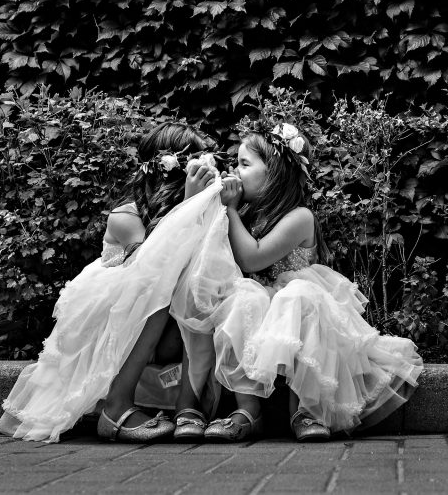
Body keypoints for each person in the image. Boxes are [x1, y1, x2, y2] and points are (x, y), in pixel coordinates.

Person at [180, 118, 423, 442]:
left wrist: (232, 211)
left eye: (244, 164)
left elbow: (252, 257)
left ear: (275, 172)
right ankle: (248, 410)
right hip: (260, 305)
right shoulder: (244, 214)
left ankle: (307, 407)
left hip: (294, 305)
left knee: (298, 297)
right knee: (240, 297)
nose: (235, 172)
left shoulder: (299, 217)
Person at [0, 122, 221, 442]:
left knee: (204, 293)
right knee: (158, 294)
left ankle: (188, 406)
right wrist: (188, 204)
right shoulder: (125, 216)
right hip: (119, 320)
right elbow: (157, 264)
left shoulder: (198, 211)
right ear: (168, 171)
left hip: (166, 331)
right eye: (195, 162)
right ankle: (116, 407)